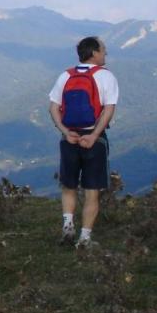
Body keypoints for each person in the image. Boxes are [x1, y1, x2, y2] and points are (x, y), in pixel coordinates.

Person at [48, 36, 118, 246]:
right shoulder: (106, 77)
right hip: (93, 139)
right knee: (91, 191)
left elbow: (53, 107)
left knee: (68, 186)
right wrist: (95, 135)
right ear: (94, 52)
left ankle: (68, 226)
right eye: (103, 50)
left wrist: (65, 131)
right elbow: (109, 109)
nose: (106, 53)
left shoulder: (65, 76)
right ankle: (84, 238)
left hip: (69, 138)